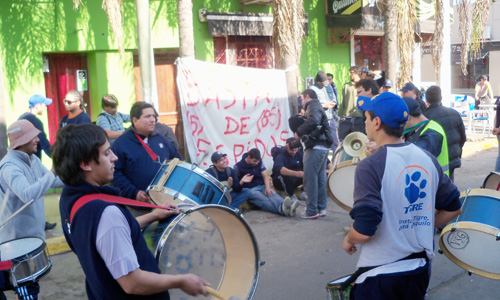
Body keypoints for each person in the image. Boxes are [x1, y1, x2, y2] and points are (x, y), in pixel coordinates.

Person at [51, 123, 209, 300]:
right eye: (106, 153)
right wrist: (180, 280)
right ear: (85, 164)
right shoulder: (105, 213)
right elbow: (133, 282)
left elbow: (107, 237)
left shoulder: (70, 199)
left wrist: (154, 215)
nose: (115, 157)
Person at [342, 92, 462, 300]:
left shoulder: (370, 166)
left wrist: (348, 239)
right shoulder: (426, 158)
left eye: (367, 118)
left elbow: (364, 230)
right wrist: (418, 224)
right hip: (418, 271)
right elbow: (454, 207)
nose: (365, 122)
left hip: (379, 275)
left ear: (377, 122)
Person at [0, 120, 63, 300]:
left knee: (30, 288)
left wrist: (77, 176)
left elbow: (54, 181)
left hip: (30, 239)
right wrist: (53, 171)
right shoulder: (9, 167)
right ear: (22, 140)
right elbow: (27, 194)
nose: (37, 139)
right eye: (33, 136)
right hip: (15, 244)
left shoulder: (33, 159)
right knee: (26, 290)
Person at [112, 102, 182, 202]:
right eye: (148, 116)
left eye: (153, 116)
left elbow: (178, 161)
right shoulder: (121, 144)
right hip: (137, 205)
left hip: (165, 202)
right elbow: (115, 174)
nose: (153, 120)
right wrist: (134, 193)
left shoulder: (162, 139)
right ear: (135, 120)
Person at [295, 89, 333, 219]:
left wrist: (299, 132)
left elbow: (314, 120)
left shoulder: (313, 106)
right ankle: (321, 207)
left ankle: (311, 210)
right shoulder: (318, 106)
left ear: (307, 96)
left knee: (310, 179)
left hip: (315, 146)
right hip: (323, 146)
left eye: (302, 98)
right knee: (320, 178)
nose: (302, 100)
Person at [234, 148, 300, 217]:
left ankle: (286, 206)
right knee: (264, 200)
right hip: (251, 189)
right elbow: (236, 185)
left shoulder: (259, 162)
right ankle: (283, 209)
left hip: (262, 185)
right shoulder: (238, 167)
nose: (256, 163)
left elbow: (265, 175)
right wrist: (242, 181)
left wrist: (267, 188)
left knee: (272, 194)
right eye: (254, 161)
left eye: (258, 161)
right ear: (248, 157)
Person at [424, 86, 466, 181]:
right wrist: (457, 150)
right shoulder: (454, 113)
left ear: (426, 99)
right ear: (441, 98)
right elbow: (463, 137)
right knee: (449, 188)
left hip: (435, 161)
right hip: (452, 157)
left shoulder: (425, 117)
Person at [402, 97, 449, 176]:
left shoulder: (432, 132)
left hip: (435, 185)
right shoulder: (415, 129)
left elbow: (414, 157)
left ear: (408, 117)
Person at [18, 94, 52, 160]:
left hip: (20, 159)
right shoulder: (36, 122)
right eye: (45, 105)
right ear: (37, 106)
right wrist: (57, 158)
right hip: (32, 160)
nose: (46, 108)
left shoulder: (20, 119)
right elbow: (44, 143)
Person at [338, 66, 364, 140]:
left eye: (351, 73)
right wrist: (340, 116)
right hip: (347, 119)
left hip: (359, 119)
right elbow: (342, 102)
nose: (350, 74)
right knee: (344, 141)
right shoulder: (346, 86)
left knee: (358, 142)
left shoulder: (364, 85)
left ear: (357, 73)